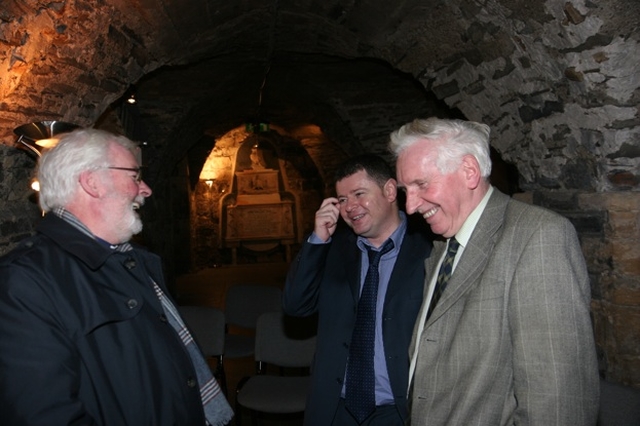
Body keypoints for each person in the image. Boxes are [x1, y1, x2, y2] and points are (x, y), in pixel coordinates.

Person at [0, 128, 233, 426]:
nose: (145, 188)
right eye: (134, 176)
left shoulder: (129, 260)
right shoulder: (23, 282)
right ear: (92, 182)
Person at [389, 117, 599, 425]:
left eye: (421, 184)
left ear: (469, 171)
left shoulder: (538, 237)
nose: (410, 206)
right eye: (406, 190)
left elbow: (558, 407)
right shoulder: (442, 247)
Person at [283, 154, 433, 425]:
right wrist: (317, 240)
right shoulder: (333, 251)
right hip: (336, 407)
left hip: (400, 410)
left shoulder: (428, 250)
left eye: (359, 194)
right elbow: (296, 305)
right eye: (342, 200)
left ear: (389, 190)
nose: (350, 207)